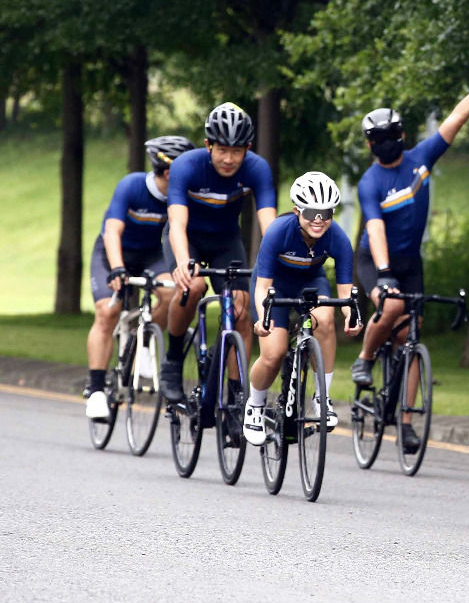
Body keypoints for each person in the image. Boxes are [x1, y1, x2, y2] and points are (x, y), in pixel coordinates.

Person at [350, 47, 469, 388]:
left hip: (410, 262)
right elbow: (375, 229)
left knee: (412, 337)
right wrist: (383, 274)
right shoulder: (370, 182)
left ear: (402, 136)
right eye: (377, 140)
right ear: (369, 146)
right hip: (376, 261)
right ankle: (364, 360)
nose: (385, 143)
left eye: (390, 137)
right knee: (391, 308)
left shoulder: (421, 158)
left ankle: (407, 423)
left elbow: (456, 118)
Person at [159, 104, 276, 403]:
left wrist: (278, 262)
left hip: (226, 240)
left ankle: (236, 397)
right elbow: (177, 222)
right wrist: (184, 260)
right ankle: (172, 361)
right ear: (208, 144)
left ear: (247, 149)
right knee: (193, 285)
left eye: (237, 151)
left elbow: (269, 224)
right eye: (222, 149)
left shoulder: (257, 168)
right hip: (187, 238)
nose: (228, 159)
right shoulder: (187, 166)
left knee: (241, 308)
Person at [84, 136, 196, 419]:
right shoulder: (132, 186)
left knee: (172, 293)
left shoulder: (183, 196)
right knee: (107, 311)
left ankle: (143, 340)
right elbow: (112, 231)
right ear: (170, 172)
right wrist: (117, 268)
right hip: (114, 252)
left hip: (152, 256)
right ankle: (96, 390)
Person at [244, 172, 359, 444]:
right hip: (274, 286)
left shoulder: (338, 238)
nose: (319, 220)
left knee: (325, 319)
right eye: (311, 212)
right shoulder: (277, 232)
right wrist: (263, 319)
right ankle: (255, 406)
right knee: (273, 354)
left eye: (326, 213)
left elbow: (345, 292)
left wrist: (351, 316)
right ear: (297, 210)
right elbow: (262, 288)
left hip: (310, 280)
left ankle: (323, 398)